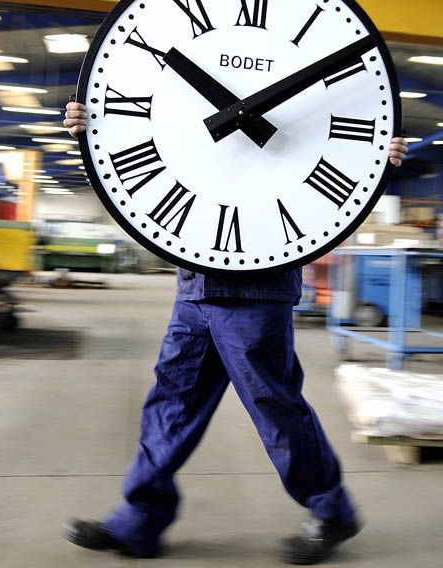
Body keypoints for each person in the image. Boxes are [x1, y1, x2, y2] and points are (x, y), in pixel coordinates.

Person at [62, 100, 408, 565]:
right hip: (196, 280)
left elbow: (327, 147)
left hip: (257, 284)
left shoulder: (297, 102)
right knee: (171, 402)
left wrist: (376, 157)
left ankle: (332, 511)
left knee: (273, 405)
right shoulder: (188, 96)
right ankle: (139, 522)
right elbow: (159, 135)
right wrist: (95, 128)